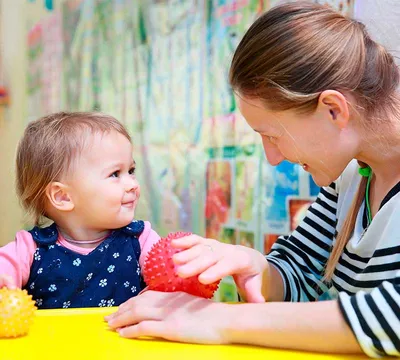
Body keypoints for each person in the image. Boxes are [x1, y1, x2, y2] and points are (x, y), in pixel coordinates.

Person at [106, 2, 400, 357]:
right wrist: (254, 265)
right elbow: (300, 273)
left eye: (272, 135)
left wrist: (220, 321)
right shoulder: (353, 174)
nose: (272, 158)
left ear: (333, 110)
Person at [0, 112, 161, 309]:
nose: (132, 185)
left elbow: (170, 281)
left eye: (131, 171)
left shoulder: (142, 240)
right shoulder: (30, 249)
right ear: (63, 197)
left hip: (123, 339)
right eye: (115, 174)